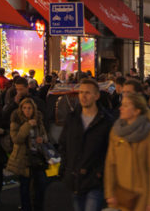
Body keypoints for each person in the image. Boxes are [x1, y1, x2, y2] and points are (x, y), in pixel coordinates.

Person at [61, 78, 114, 211]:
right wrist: (65, 169)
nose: (83, 96)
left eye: (87, 93)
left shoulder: (106, 121)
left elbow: (111, 152)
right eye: (81, 92)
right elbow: (64, 145)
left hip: (94, 181)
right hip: (73, 179)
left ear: (96, 96)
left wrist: (100, 173)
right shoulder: (72, 119)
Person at [105, 92, 150, 211]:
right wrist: (109, 193)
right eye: (122, 104)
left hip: (142, 197)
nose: (121, 108)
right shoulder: (115, 132)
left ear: (137, 111)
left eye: (126, 105)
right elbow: (110, 164)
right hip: (120, 195)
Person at [8, 97, 49, 211]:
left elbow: (45, 136)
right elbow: (17, 139)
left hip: (37, 157)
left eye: (29, 108)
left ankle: (38, 207)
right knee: (25, 187)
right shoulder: (16, 121)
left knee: (41, 185)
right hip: (24, 158)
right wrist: (27, 126)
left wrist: (42, 139)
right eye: (25, 108)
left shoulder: (38, 121)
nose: (27, 111)